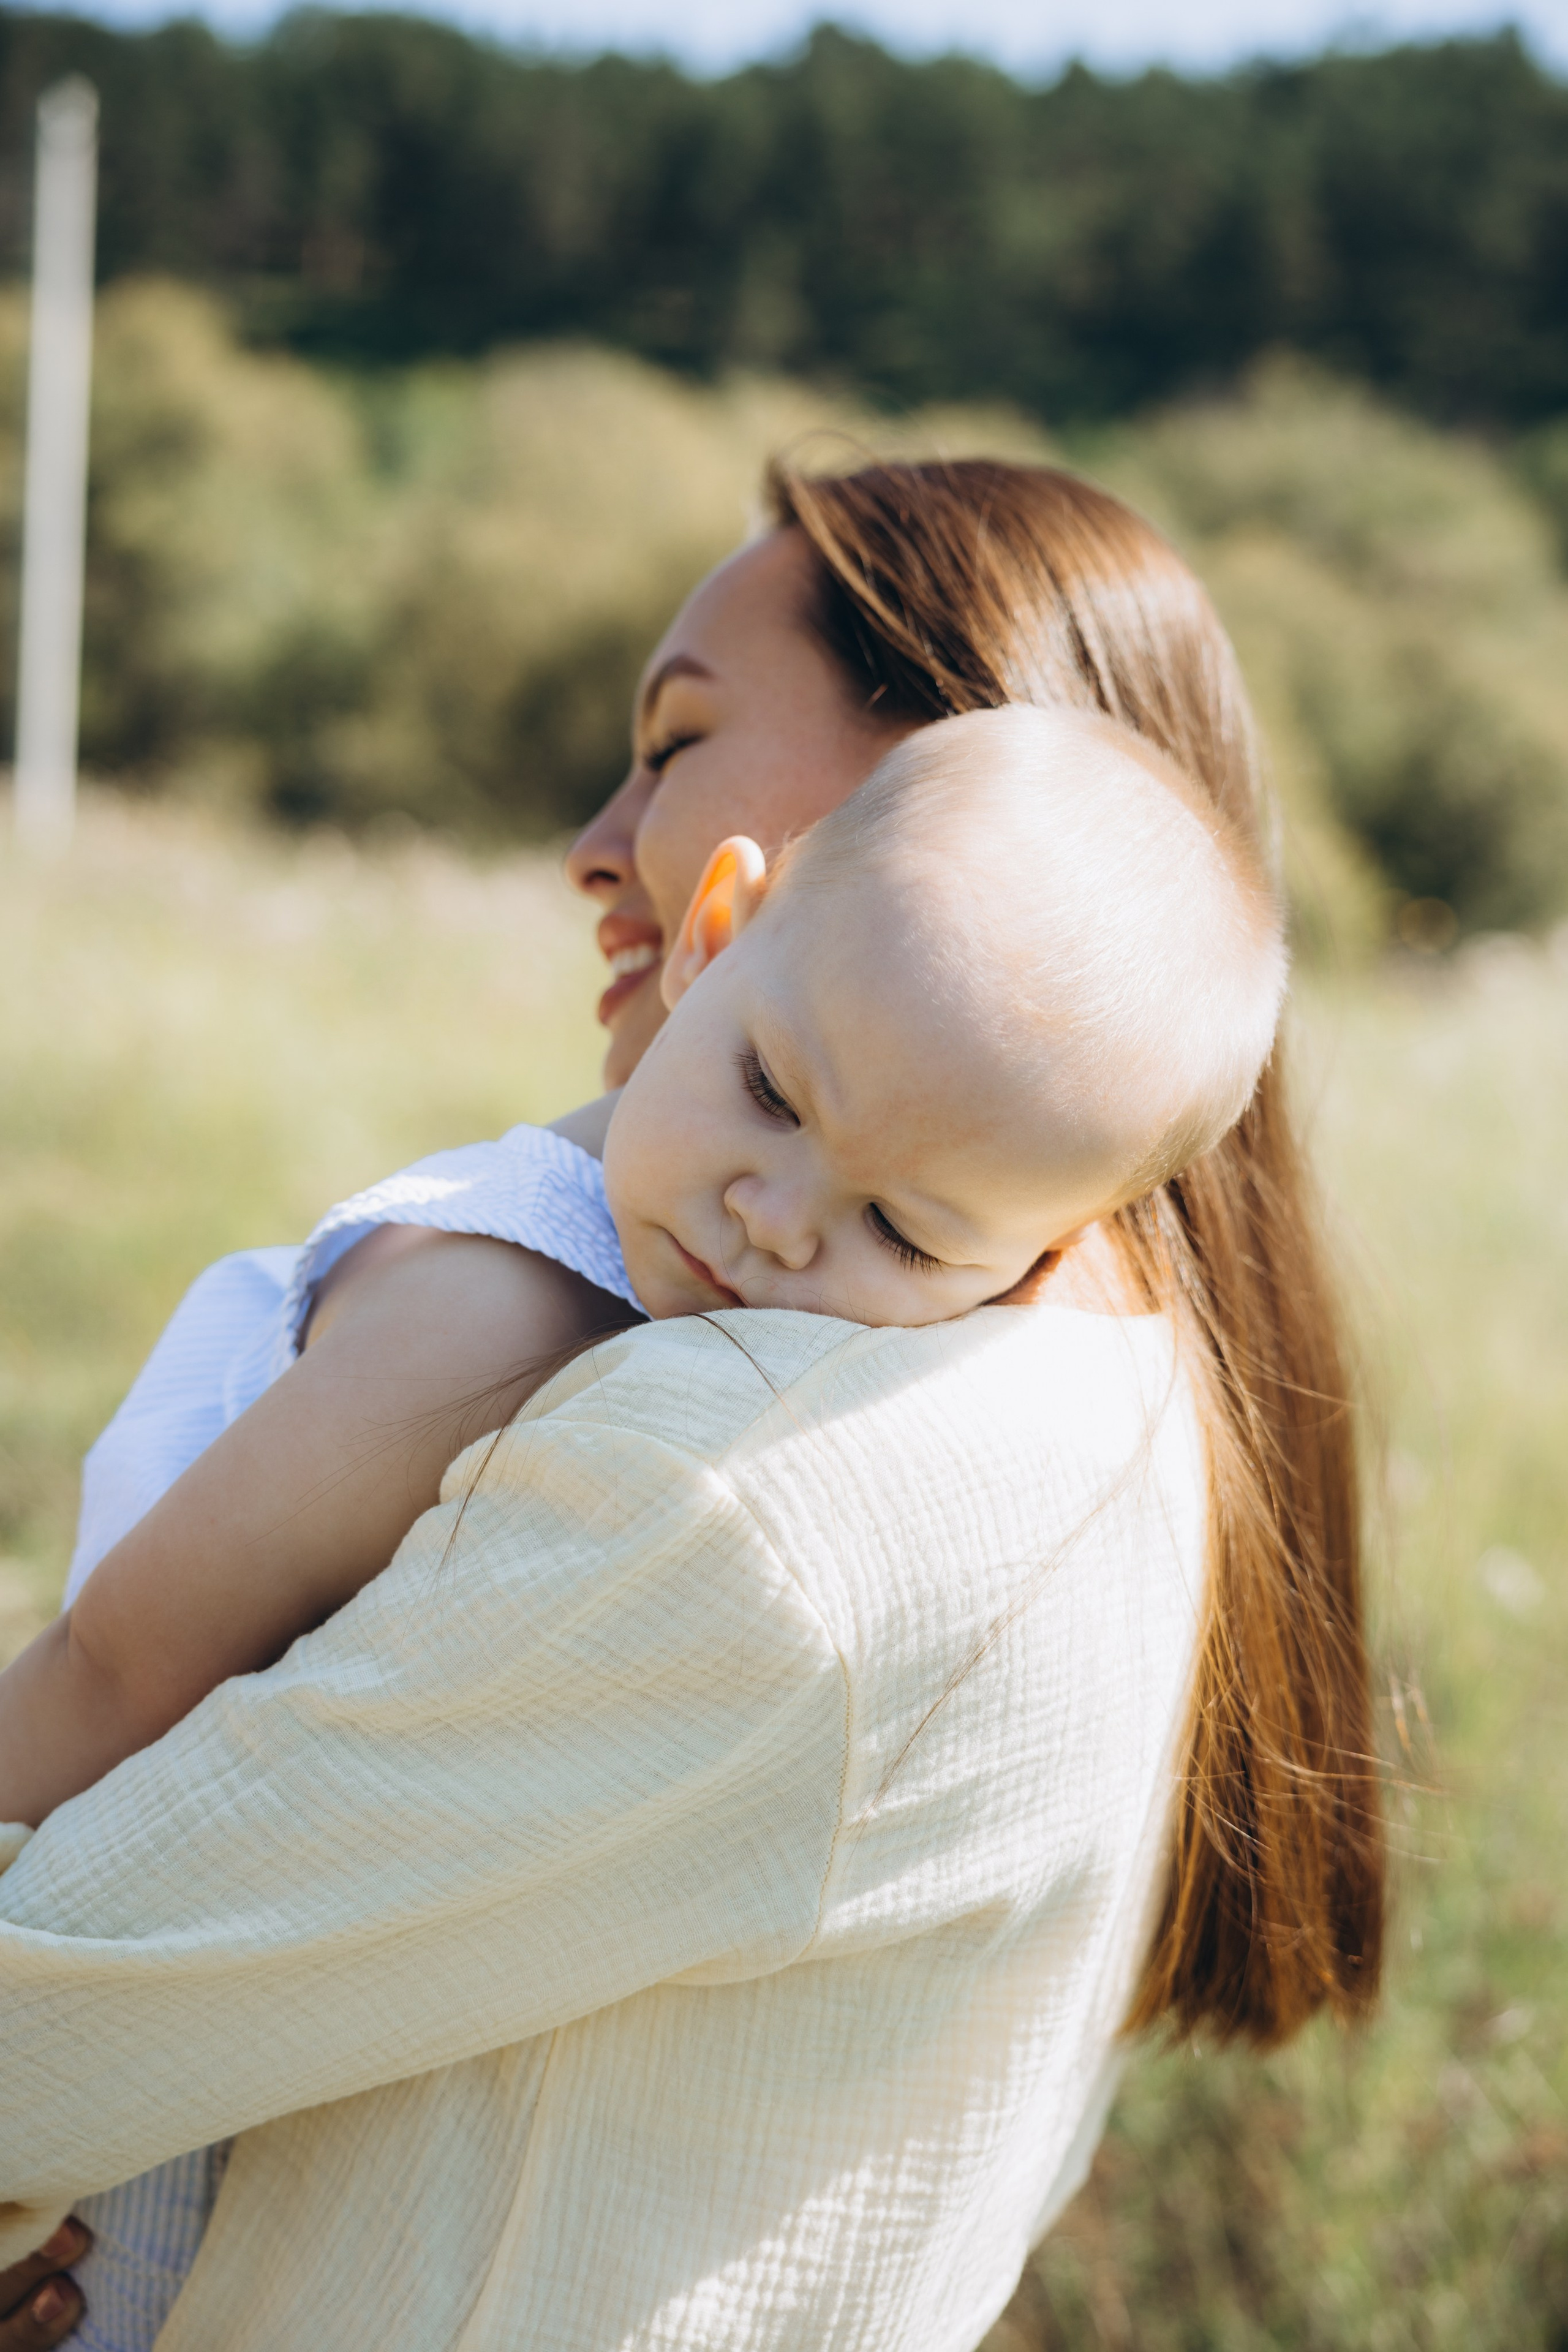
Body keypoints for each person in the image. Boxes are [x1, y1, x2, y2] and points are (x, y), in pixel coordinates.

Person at [0, 460, 1382, 2352]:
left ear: (942, 772)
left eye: (678, 744)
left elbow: (60, 1992)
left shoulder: (748, 1488)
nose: (597, 840)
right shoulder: (1090, 1362)